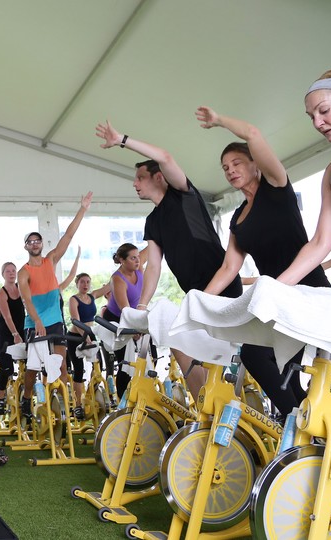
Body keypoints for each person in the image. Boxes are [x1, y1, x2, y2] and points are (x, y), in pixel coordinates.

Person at [197, 106, 330, 417]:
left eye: (236, 163)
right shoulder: (237, 220)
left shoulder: (277, 188)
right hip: (276, 301)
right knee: (281, 371)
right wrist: (200, 301)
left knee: (257, 357)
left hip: (307, 291)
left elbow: (253, 134)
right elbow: (229, 268)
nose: (229, 170)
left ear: (255, 163)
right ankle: (302, 429)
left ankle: (295, 423)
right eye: (224, 167)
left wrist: (219, 120)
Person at [95, 121, 242, 399]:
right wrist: (141, 304)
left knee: (215, 353)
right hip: (195, 294)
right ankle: (206, 405)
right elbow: (154, 266)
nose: (134, 183)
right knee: (175, 336)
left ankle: (220, 400)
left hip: (221, 284)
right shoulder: (153, 221)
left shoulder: (183, 195)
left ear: (158, 177)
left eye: (140, 177)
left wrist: (122, 139)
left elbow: (165, 157)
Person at [278, 69, 331, 286]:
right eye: (312, 116)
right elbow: (321, 242)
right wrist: (276, 289)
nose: (317, 123)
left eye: (324, 110)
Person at [18, 192, 92, 421]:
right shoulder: (23, 273)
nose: (34, 244)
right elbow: (27, 300)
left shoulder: (50, 260)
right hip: (34, 323)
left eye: (37, 240)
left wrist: (83, 209)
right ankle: (26, 397)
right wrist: (38, 321)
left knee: (61, 367)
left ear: (41, 244)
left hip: (55, 322)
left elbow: (68, 235)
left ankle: (63, 407)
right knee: (32, 368)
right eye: (30, 241)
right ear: (26, 247)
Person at [66, 272, 111, 418]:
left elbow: (110, 285)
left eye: (88, 282)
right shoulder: (73, 299)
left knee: (97, 365)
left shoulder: (92, 296)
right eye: (82, 282)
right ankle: (78, 405)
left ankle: (93, 394)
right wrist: (84, 337)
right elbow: (75, 319)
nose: (85, 285)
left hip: (90, 334)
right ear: (77, 284)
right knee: (78, 370)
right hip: (75, 336)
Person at [100, 244, 142, 398]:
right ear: (122, 260)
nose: (138, 260)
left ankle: (139, 392)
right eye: (133, 258)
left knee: (150, 356)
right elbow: (125, 310)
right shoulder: (117, 279)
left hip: (135, 316)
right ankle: (123, 402)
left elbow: (153, 247)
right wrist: (135, 328)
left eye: (138, 257)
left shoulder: (138, 269)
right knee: (125, 364)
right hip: (117, 320)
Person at [0, 262, 25, 416]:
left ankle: (25, 395)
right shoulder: (2, 293)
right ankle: (0, 396)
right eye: (8, 271)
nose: (11, 273)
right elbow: (7, 316)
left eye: (14, 270)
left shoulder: (21, 288)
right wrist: (15, 334)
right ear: (3, 274)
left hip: (22, 329)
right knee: (6, 368)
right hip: (6, 332)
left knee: (30, 362)